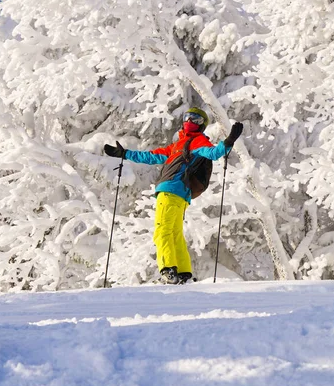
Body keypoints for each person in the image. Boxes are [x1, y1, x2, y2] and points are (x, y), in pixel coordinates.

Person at [104, 107, 243, 284]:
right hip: (180, 195)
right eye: (188, 117)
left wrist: (229, 141)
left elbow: (214, 153)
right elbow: (150, 157)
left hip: (170, 191)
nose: (190, 121)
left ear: (202, 126)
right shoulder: (178, 146)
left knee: (162, 231)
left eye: (196, 119)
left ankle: (168, 270)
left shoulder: (196, 141)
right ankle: (183, 273)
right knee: (175, 233)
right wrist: (125, 154)